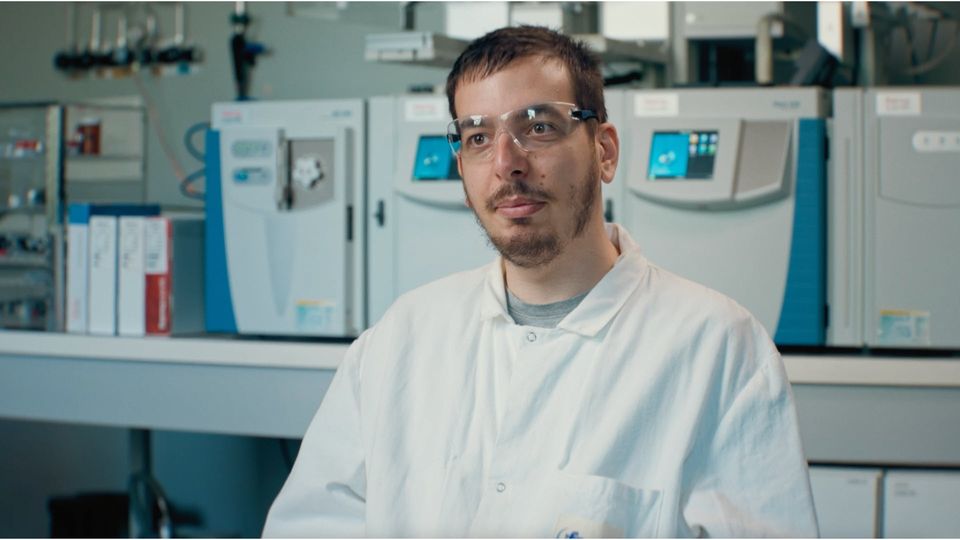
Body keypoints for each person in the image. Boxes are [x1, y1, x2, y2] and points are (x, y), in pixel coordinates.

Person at [263, 26, 818, 538]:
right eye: (477, 137)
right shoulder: (400, 340)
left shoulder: (717, 348)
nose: (507, 163)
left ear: (604, 150)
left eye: (539, 127)